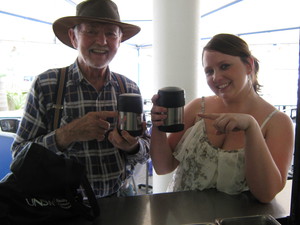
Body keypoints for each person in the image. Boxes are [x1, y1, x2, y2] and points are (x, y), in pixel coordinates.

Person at [12, 0, 150, 198]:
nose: (102, 41)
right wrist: (68, 134)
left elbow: (145, 149)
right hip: (65, 206)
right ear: (73, 37)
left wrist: (133, 146)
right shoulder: (47, 85)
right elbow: (19, 156)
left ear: (119, 40)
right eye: (91, 31)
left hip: (121, 198)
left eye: (111, 33)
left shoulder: (128, 88)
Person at [150, 33, 294, 203]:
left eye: (225, 66)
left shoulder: (277, 123)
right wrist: (158, 126)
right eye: (209, 71)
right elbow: (163, 167)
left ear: (249, 65)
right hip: (182, 216)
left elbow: (266, 194)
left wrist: (251, 127)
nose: (216, 78)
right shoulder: (197, 108)